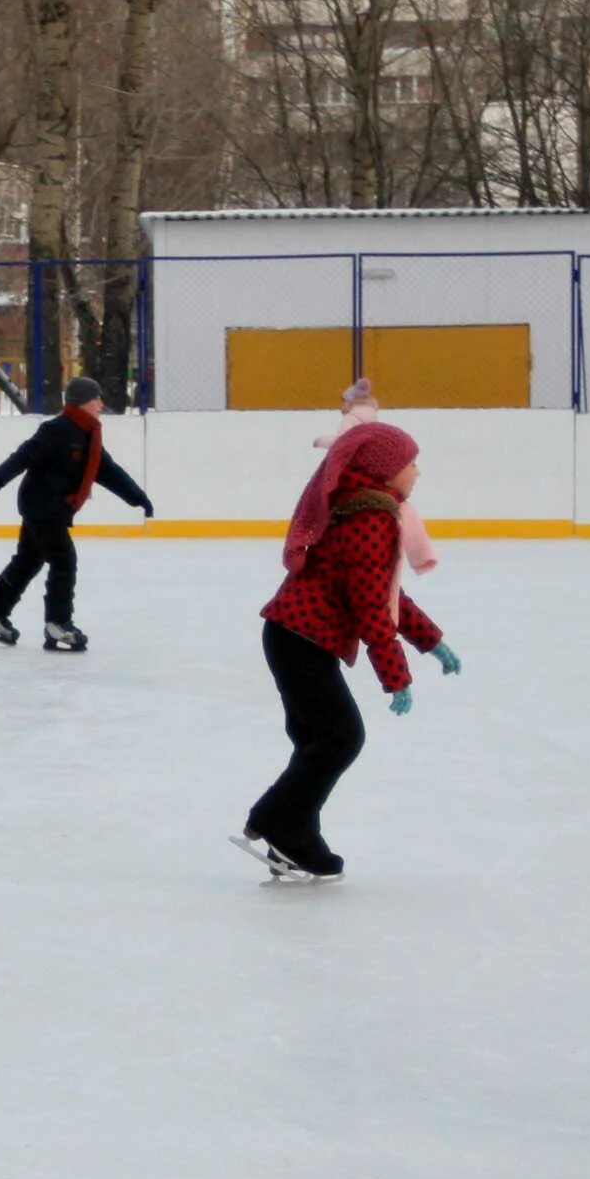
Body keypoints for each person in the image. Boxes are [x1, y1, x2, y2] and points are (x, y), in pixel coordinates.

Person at [233, 421, 458, 883]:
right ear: (384, 472)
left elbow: (386, 595)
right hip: (302, 639)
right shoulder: (370, 520)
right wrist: (396, 675)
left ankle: (293, 834)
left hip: (292, 635)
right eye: (409, 463)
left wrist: (430, 640)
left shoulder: (365, 511)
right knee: (340, 739)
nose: (417, 471)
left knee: (318, 742)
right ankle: (276, 819)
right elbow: (372, 607)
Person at [0, 375, 152, 653]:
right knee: (64, 560)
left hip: (52, 507)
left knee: (28, 561)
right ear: (82, 402)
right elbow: (25, 454)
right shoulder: (57, 429)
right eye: (96, 399)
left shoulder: (89, 436)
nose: (101, 404)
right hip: (41, 505)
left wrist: (138, 498)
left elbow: (109, 471)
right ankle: (58, 624)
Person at [316, 378, 437, 579]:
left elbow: (344, 444)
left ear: (349, 402)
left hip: (357, 474)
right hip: (375, 476)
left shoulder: (350, 419)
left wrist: (320, 441)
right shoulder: (372, 416)